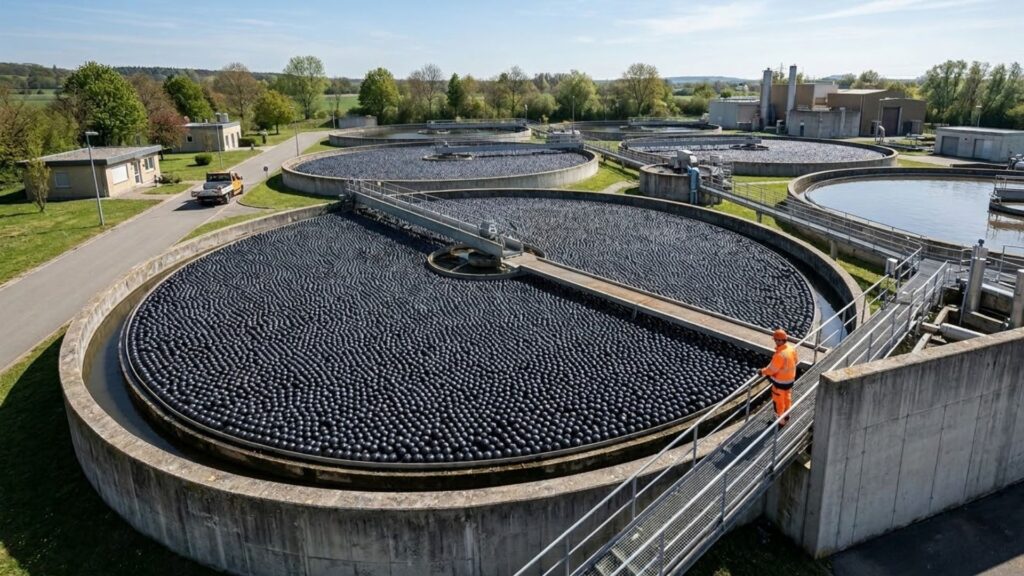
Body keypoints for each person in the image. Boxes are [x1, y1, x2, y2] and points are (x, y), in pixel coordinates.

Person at [761, 328, 798, 428]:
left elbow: (771, 370)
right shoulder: (791, 349)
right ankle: (787, 415)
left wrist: (762, 372)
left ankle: (780, 421)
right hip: (790, 381)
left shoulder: (779, 355)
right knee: (787, 397)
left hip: (780, 383)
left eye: (776, 340)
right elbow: (796, 361)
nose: (775, 342)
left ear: (780, 340)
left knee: (778, 400)